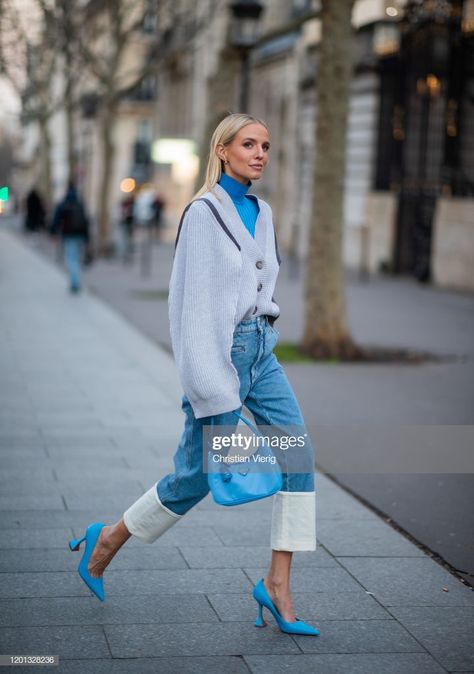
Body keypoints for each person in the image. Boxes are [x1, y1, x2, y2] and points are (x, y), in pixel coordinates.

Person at [68, 113, 319, 636]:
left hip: (262, 354)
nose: (260, 155)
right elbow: (192, 309)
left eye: (267, 146)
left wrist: (266, 327)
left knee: (299, 455)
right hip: (218, 360)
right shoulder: (204, 214)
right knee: (196, 476)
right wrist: (212, 389)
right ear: (222, 150)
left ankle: (276, 585)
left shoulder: (264, 212)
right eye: (249, 144)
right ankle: (108, 537)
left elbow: (259, 287)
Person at [51, 182, 90, 293]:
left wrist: (53, 233)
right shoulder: (80, 204)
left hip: (68, 236)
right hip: (80, 236)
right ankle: (76, 280)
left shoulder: (63, 204)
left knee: (71, 259)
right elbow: (86, 222)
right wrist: (88, 239)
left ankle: (75, 283)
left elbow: (56, 220)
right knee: (76, 258)